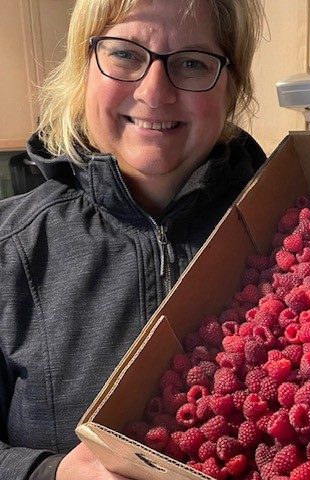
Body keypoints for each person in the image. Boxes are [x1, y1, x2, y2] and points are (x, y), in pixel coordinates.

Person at [0, 0, 265, 479]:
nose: (155, 92)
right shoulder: (9, 247)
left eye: (191, 62)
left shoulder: (290, 225)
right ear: (84, 68)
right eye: (124, 54)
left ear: (233, 84)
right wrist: (51, 474)